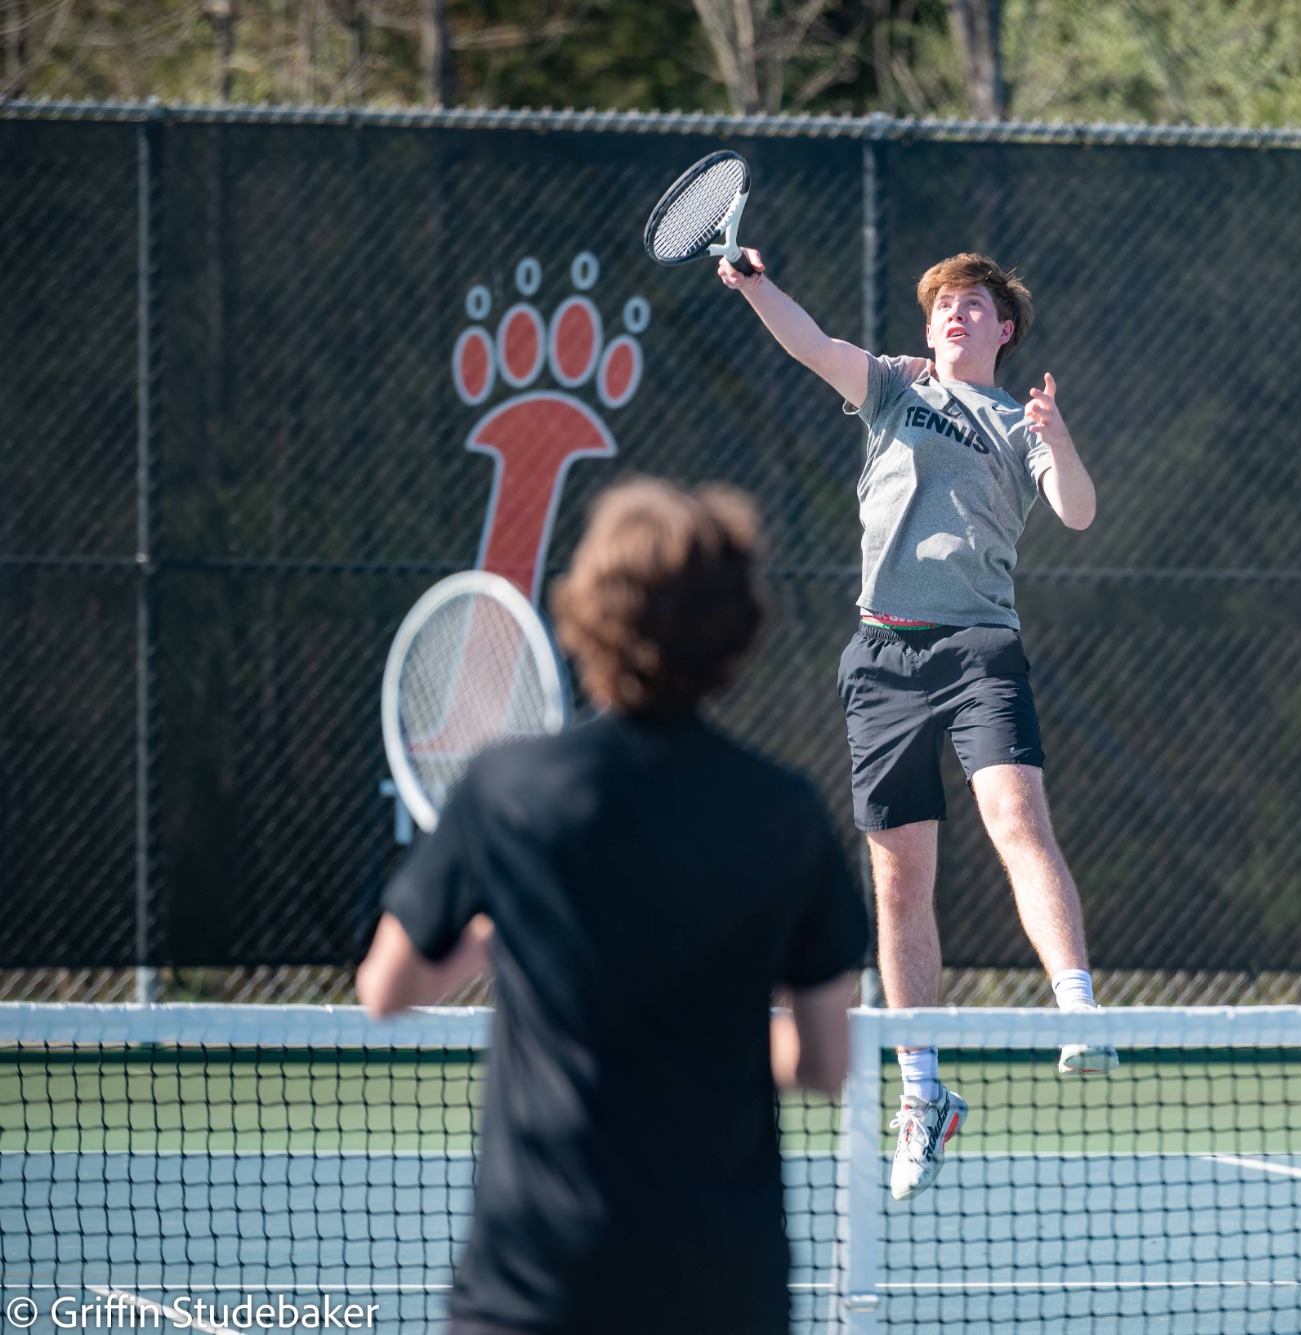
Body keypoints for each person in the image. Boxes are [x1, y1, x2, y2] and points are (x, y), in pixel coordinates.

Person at [357, 478, 868, 1335]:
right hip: (723, 1290)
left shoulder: (507, 791)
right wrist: (723, 1032)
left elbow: (386, 987)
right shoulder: (786, 812)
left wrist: (491, 934)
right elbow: (824, 1059)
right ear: (735, 627)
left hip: (535, 1290)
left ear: (589, 609)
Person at [720, 247, 1115, 1203]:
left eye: (972, 306)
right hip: (882, 657)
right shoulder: (894, 387)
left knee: (1018, 824)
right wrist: (754, 283)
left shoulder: (1021, 422)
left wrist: (1057, 438)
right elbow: (811, 345)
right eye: (943, 303)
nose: (953, 316)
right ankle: (923, 1093)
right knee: (898, 884)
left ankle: (1077, 1012)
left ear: (1003, 328)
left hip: (980, 648)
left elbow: (1077, 511)